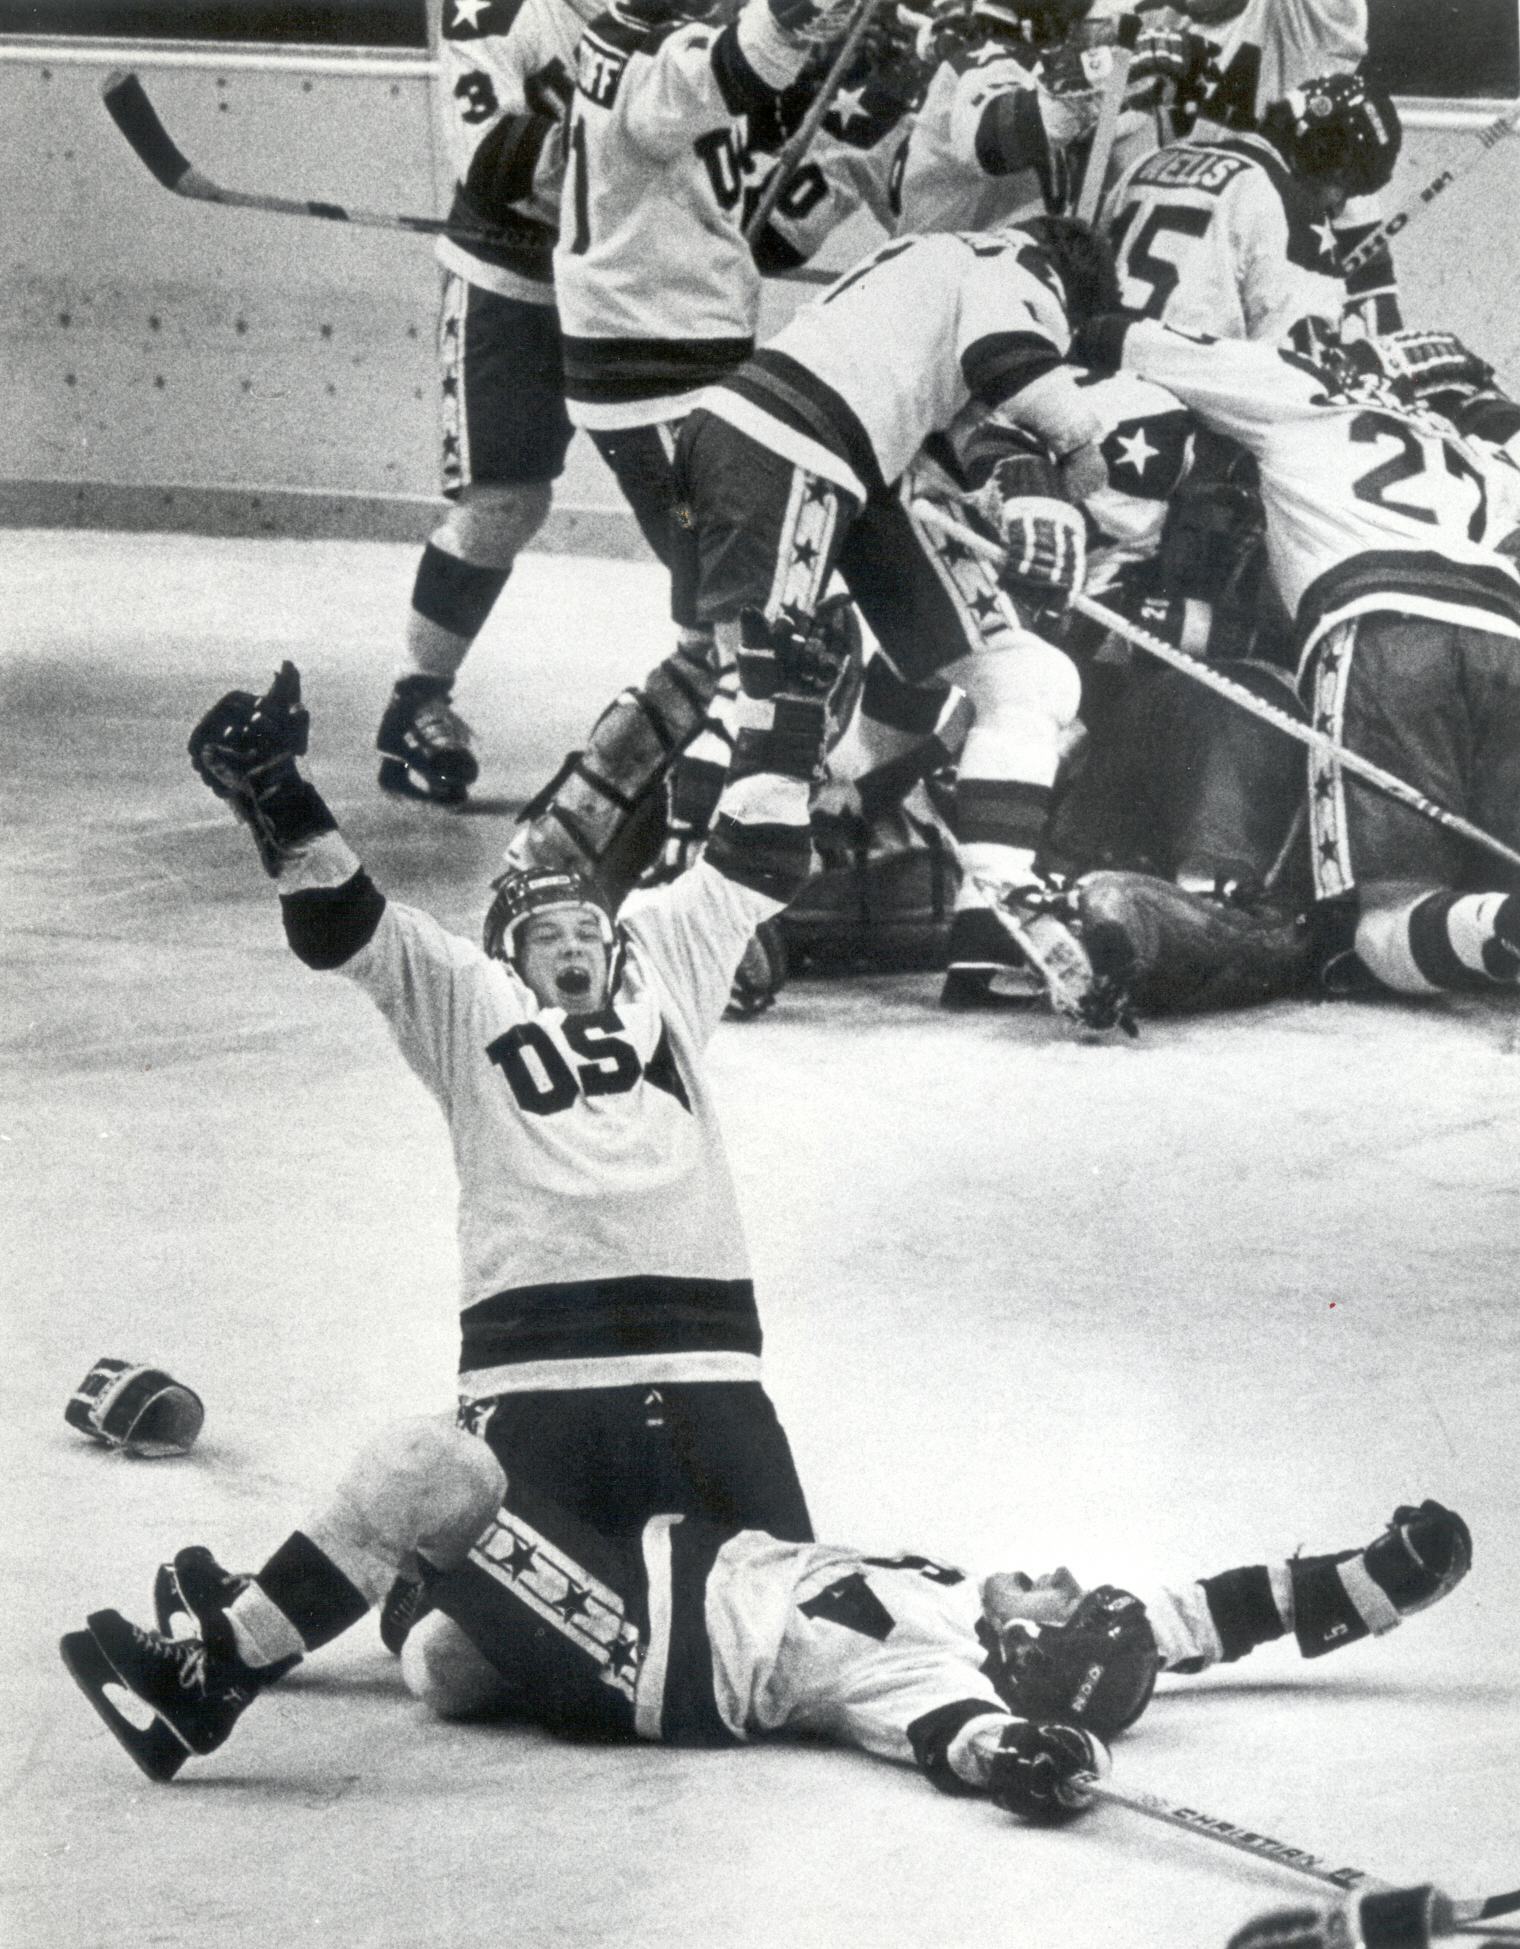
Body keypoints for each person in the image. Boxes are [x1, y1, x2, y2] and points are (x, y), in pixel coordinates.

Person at [169, 642, 855, 1614]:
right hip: (540, 1365)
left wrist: (784, 711)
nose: (574, 945)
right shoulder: (466, 995)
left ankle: (308, 1598)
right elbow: (345, 924)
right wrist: (279, 793)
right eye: (549, 937)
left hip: (708, 1364)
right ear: (507, 954)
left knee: (792, 1608)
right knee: (457, 1642)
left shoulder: (662, 970)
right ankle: (284, 1605)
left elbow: (754, 863)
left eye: (587, 931)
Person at [62, 1436, 1470, 1793]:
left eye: (1055, 1588)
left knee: (433, 1472)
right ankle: (261, 1614)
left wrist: (1024, 1761)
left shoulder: (931, 1668)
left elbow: (959, 1737)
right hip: (636, 1612)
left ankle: (216, 1673)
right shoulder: (991, 1607)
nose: (1047, 1563)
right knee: (438, 1651)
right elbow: (1205, 1612)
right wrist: (1372, 1579)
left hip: (652, 1650)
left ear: (1036, 1647)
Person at [1069, 314, 1520, 1003]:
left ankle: (1484, 925)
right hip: (1505, 631)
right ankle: (1489, 918)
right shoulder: (1481, 451)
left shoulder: (1296, 391)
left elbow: (1116, 335)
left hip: (1377, 627)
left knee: (1387, 918)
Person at [376, 0, 597, 805]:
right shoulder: (494, 9)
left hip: (630, 284)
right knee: (504, 504)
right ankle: (416, 698)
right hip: (509, 286)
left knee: (695, 492)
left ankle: (721, 709)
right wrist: (639, 146)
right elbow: (495, 158)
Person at [1102, 71, 1402, 343]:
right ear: (1327, 153)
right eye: (1346, 187)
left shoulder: (1149, 163)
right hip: (1188, 393)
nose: (1338, 208)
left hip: (1096, 381)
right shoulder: (1291, 208)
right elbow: (1299, 376)